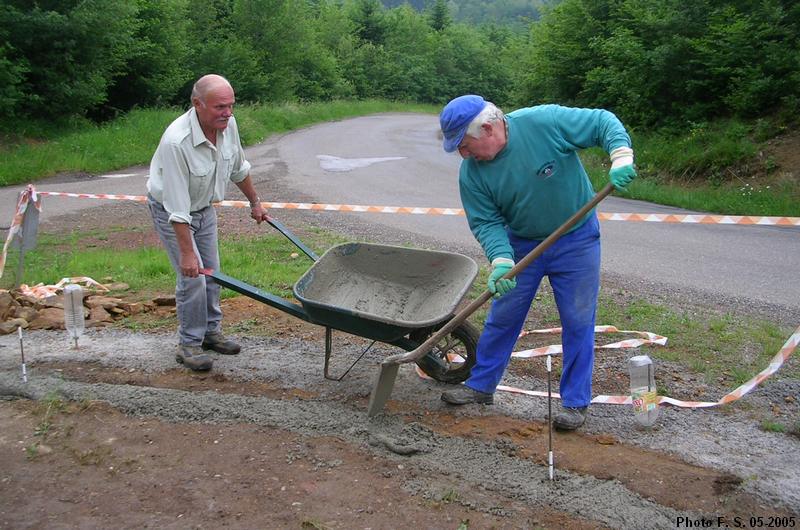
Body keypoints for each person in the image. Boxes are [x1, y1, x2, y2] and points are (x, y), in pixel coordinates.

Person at [438, 95, 636, 430]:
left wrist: (620, 156)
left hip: (576, 239)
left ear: (487, 128)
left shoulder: (544, 122)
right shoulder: (472, 174)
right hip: (522, 245)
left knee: (577, 320)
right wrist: (501, 260)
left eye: (465, 144)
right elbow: (486, 222)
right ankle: (481, 385)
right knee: (503, 316)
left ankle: (574, 403)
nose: (463, 154)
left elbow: (602, 122)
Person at [146, 74, 268, 372]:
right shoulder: (177, 142)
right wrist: (187, 253)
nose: (227, 113)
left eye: (231, 106)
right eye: (219, 107)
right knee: (193, 277)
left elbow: (239, 168)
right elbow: (177, 209)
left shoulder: (228, 126)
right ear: (197, 104)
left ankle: (211, 333)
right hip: (172, 212)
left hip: (204, 209)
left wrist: (255, 202)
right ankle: (189, 344)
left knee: (212, 273)